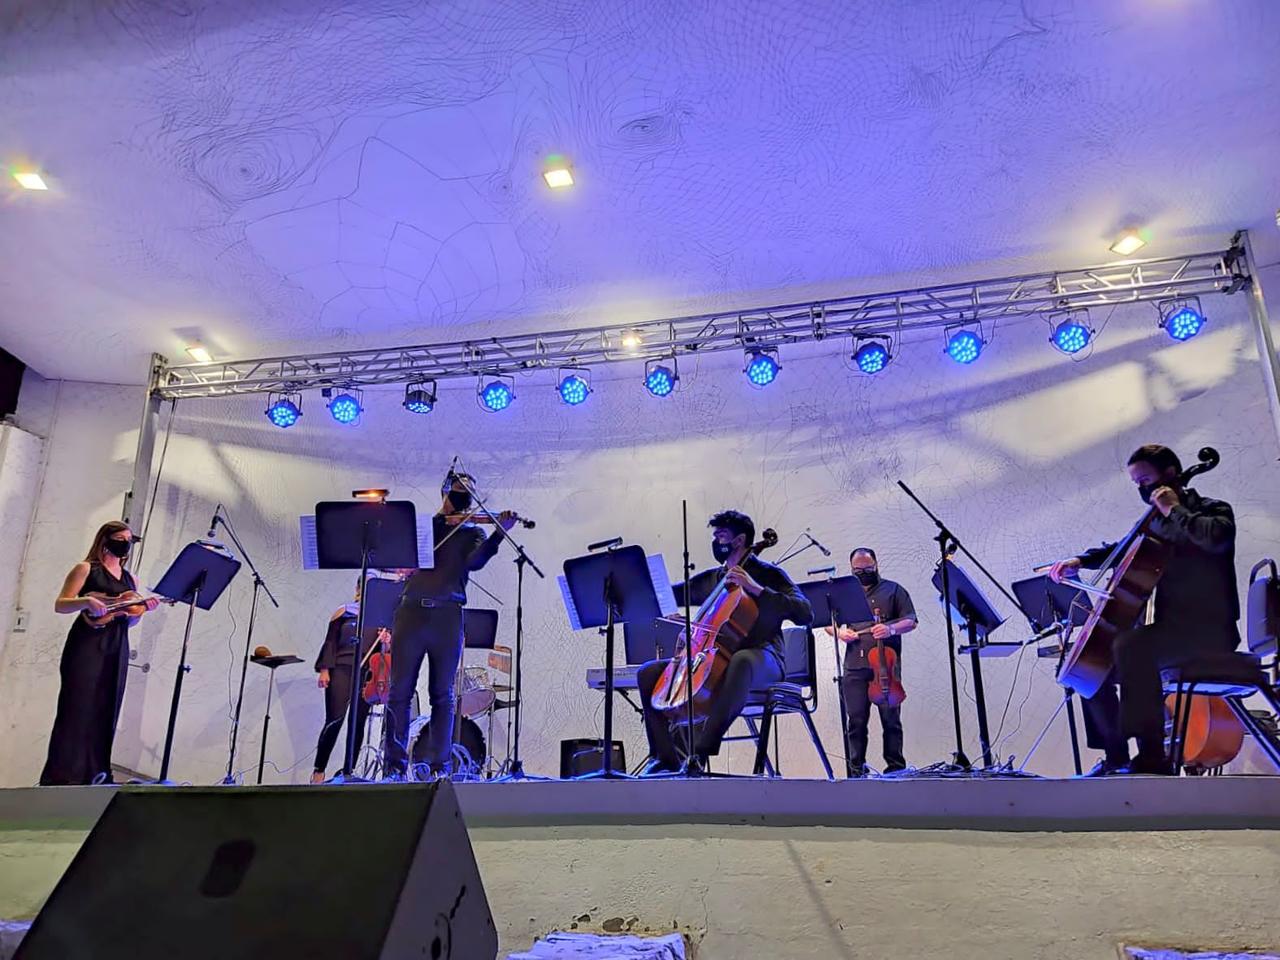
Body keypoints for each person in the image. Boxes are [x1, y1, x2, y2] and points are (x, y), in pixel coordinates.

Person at [1048, 444, 1239, 776]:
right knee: (1090, 665)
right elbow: (1123, 547)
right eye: (1136, 483)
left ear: (1169, 475)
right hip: (1170, 633)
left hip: (1208, 633)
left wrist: (1173, 509)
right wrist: (1080, 560)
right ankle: (1116, 756)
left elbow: (1214, 540)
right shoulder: (1154, 523)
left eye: (1145, 480)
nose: (1142, 489)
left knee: (1132, 646)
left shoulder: (1213, 511)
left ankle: (1152, 756)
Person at [637, 510, 814, 773]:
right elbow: (672, 594)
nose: (716, 541)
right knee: (648, 673)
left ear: (740, 540)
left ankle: (699, 753)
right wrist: (657, 599)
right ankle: (665, 758)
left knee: (741, 661)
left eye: (721, 535)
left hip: (763, 658)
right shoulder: (712, 579)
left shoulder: (769, 574)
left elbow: (805, 613)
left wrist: (756, 589)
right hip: (715, 659)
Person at [383, 470, 515, 780]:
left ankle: (438, 765)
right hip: (411, 611)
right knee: (399, 691)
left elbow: (475, 562)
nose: (462, 497)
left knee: (442, 693)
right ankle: (395, 766)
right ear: (445, 492)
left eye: (468, 493)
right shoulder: (426, 528)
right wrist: (441, 523)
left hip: (448, 615)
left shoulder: (473, 533)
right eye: (457, 491)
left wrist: (499, 532)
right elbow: (406, 556)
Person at [41, 521, 158, 785]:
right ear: (105, 539)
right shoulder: (86, 569)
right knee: (78, 707)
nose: (125, 543)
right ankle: (63, 776)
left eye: (129, 539)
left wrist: (142, 610)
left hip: (117, 644)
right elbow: (61, 604)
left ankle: (96, 773)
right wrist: (86, 601)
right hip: (86, 644)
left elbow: (129, 620)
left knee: (107, 708)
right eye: (120, 538)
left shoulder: (131, 579)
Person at [826, 548, 917, 777]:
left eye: (868, 568)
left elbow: (911, 621)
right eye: (858, 570)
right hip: (854, 665)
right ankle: (855, 771)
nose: (864, 573)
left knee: (891, 720)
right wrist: (839, 633)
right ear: (851, 569)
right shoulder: (846, 594)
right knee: (855, 721)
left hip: (886, 667)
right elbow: (826, 621)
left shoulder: (894, 590)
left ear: (876, 564)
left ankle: (895, 769)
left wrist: (890, 628)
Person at [310, 578, 391, 783]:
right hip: (341, 668)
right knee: (334, 719)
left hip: (367, 673)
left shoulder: (383, 619)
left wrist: (387, 642)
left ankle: (349, 770)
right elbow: (330, 642)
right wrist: (324, 670)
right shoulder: (343, 611)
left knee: (358, 722)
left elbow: (385, 654)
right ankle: (319, 771)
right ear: (358, 589)